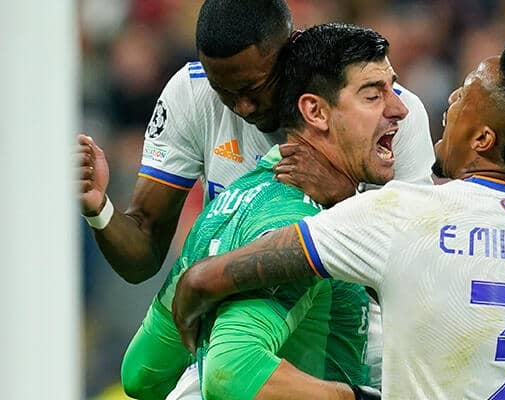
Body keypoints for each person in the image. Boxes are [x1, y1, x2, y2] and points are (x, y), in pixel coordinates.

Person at [172, 25, 505, 399]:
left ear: (483, 139)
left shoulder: (400, 215)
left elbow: (217, 276)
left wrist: (196, 283)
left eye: (465, 93)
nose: (449, 102)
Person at [76, 0, 432, 393]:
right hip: (308, 373)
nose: (242, 107)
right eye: (224, 92)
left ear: (291, 52)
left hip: (356, 354)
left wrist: (342, 202)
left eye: (254, 88)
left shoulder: (391, 117)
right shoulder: (192, 94)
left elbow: (422, 282)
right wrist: (100, 209)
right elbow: (229, 370)